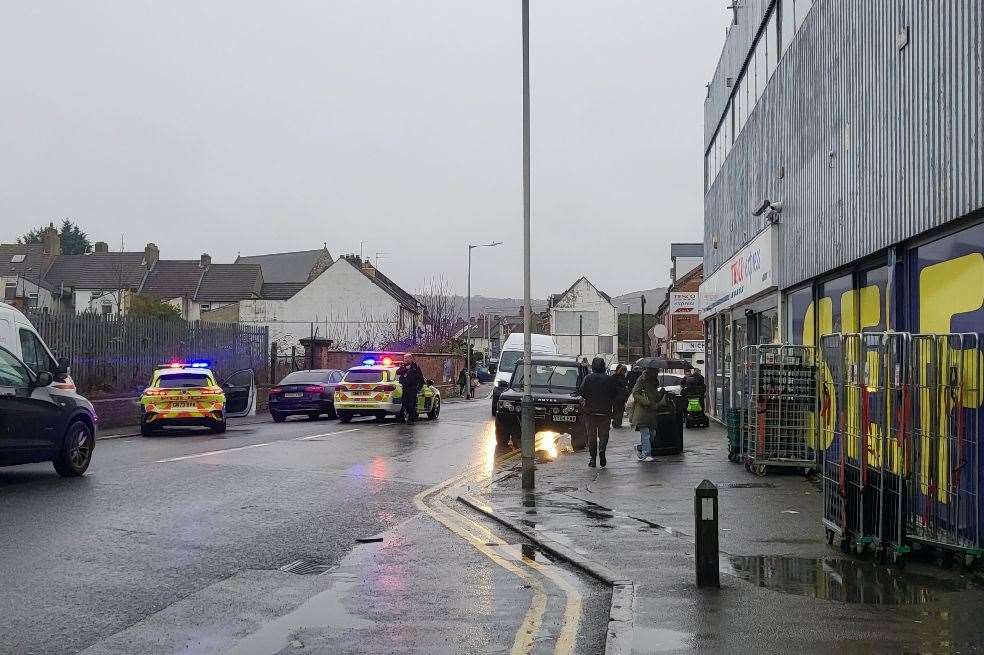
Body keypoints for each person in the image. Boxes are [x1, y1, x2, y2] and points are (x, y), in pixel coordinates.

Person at [578, 357, 618, 468]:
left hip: (590, 412)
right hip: (605, 412)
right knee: (604, 434)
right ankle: (602, 450)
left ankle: (592, 459)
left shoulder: (588, 378)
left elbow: (582, 392)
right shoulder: (609, 379)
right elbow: (615, 394)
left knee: (591, 436)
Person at [630, 367, 670, 462]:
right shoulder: (641, 379)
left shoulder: (654, 382)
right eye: (656, 371)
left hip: (652, 412)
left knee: (652, 433)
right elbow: (635, 393)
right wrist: (646, 402)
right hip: (642, 412)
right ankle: (646, 454)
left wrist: (661, 392)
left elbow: (656, 397)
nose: (657, 372)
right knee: (646, 434)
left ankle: (640, 447)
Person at [396, 354, 425, 424]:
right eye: (404, 358)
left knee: (411, 405)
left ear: (410, 358)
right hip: (404, 389)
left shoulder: (415, 367)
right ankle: (403, 418)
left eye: (406, 358)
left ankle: (411, 419)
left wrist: (418, 389)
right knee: (404, 404)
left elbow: (421, 379)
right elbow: (398, 372)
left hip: (412, 389)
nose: (405, 360)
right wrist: (405, 368)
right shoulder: (403, 367)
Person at [611, 364, 629, 428]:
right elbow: (612, 387)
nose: (624, 372)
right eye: (624, 371)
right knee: (616, 410)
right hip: (616, 396)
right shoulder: (614, 377)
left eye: (625, 371)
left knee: (621, 410)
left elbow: (625, 385)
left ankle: (619, 423)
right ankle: (615, 423)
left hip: (622, 396)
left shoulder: (623, 377)